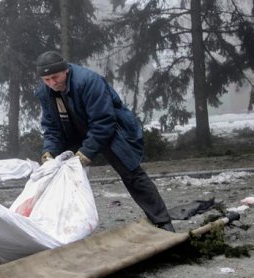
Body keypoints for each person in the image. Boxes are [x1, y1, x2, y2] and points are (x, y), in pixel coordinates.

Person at [34, 50, 175, 233]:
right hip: (74, 131)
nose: (52, 83)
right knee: (59, 175)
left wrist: (86, 153)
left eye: (55, 77)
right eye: (47, 80)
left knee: (132, 173)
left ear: (66, 70)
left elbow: (103, 121)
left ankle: (162, 222)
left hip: (110, 129)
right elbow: (52, 126)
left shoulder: (89, 81)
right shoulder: (45, 92)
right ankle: (65, 229)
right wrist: (49, 151)